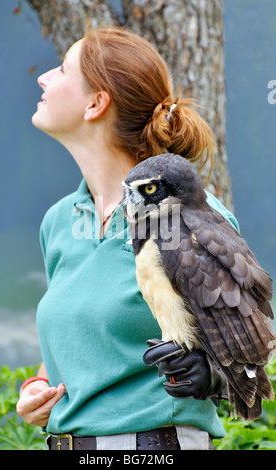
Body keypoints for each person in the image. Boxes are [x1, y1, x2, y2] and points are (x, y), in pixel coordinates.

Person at [16, 26, 239, 451]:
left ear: (96, 103)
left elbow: (247, 336)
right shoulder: (60, 221)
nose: (43, 77)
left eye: (62, 69)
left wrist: (212, 371)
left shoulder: (188, 216)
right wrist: (40, 386)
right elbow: (81, 331)